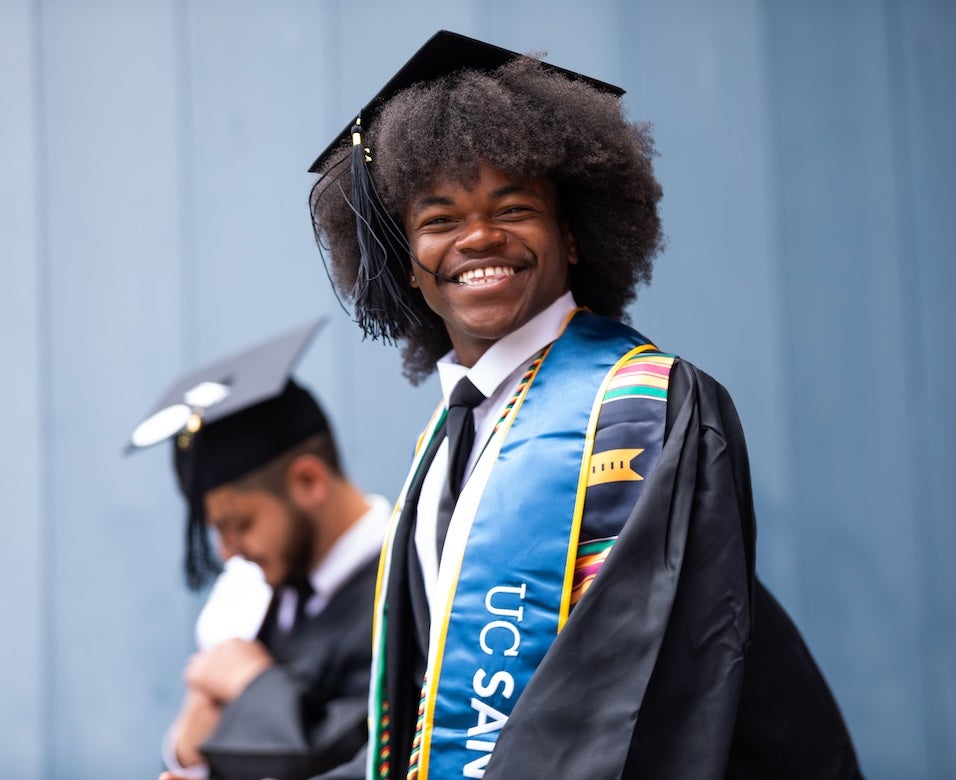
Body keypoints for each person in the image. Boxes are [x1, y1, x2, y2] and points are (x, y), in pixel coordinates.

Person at [306, 30, 861, 780]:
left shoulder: (649, 406)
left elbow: (641, 689)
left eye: (513, 208)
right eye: (439, 221)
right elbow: (426, 709)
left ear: (571, 235)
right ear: (409, 265)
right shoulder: (444, 440)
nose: (478, 238)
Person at [127, 319, 392, 780]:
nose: (228, 552)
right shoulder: (257, 593)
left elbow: (369, 754)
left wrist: (251, 685)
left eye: (239, 525)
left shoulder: (406, 587)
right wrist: (184, 756)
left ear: (308, 481)